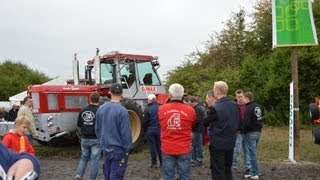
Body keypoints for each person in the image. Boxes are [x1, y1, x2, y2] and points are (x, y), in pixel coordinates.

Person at [158, 83, 196, 180]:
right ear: (183, 95)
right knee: (185, 176)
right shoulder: (190, 110)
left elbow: (161, 124)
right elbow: (192, 125)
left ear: (169, 95)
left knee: (168, 176)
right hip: (184, 148)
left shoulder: (162, 109)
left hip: (167, 148)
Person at [203, 81, 240, 180]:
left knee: (218, 169)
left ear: (217, 92)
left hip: (218, 143)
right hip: (231, 141)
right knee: (227, 169)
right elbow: (239, 123)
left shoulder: (215, 108)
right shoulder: (235, 105)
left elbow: (205, 122)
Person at [95, 83, 132, 180]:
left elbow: (97, 129)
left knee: (107, 175)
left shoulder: (101, 108)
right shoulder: (123, 111)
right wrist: (127, 148)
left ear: (109, 92)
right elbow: (126, 132)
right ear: (122, 93)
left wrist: (102, 143)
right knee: (116, 176)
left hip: (106, 148)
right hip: (119, 150)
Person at [75, 92, 102, 180]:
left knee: (84, 158)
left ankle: (79, 175)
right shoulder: (100, 110)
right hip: (96, 139)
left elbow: (78, 125)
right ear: (99, 100)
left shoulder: (83, 110)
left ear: (89, 99)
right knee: (94, 160)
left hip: (84, 138)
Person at [243, 92, 262, 179]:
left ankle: (256, 173)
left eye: (243, 97)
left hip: (250, 133)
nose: (242, 99)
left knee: (252, 153)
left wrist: (242, 130)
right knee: (252, 153)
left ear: (247, 98)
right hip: (258, 132)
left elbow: (246, 122)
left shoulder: (248, 108)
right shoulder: (257, 106)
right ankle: (252, 172)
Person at [232, 89, 251, 172]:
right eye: (238, 97)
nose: (240, 98)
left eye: (241, 97)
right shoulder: (233, 106)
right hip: (238, 131)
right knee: (236, 149)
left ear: (244, 96)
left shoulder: (248, 105)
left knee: (247, 149)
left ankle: (248, 166)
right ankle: (233, 165)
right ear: (236, 97)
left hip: (247, 131)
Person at [144, 93, 162, 169]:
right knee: (160, 146)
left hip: (150, 129)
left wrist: (145, 130)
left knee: (152, 147)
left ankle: (154, 164)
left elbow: (145, 121)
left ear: (150, 100)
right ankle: (162, 163)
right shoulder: (160, 107)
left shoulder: (147, 109)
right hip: (159, 129)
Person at [189, 96, 207, 167]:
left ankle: (199, 159)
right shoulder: (199, 107)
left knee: (198, 145)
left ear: (193, 102)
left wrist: (191, 125)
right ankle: (194, 159)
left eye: (190, 103)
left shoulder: (198, 108)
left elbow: (197, 120)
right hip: (198, 129)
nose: (189, 105)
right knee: (195, 145)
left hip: (198, 130)